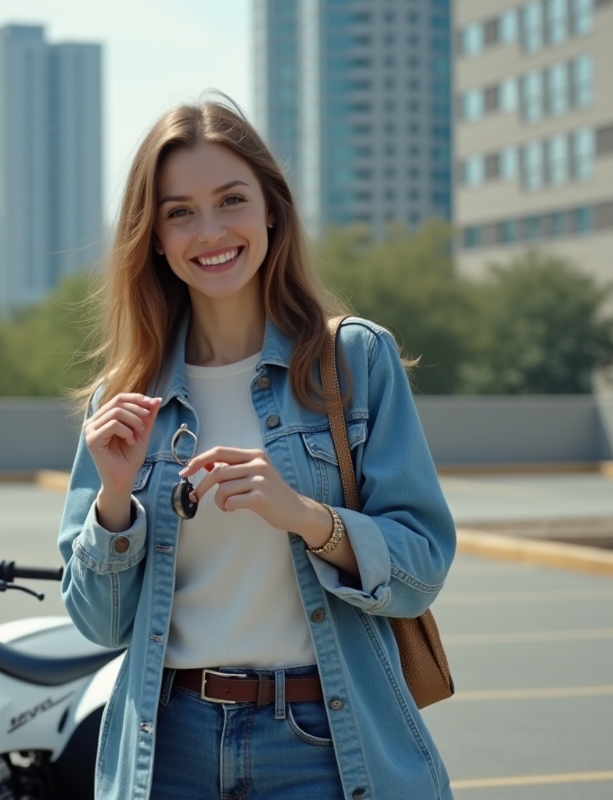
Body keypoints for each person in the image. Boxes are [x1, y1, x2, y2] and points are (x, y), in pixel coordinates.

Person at [57, 95, 456, 800]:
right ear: (155, 237)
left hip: (321, 745)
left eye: (231, 200)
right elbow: (101, 624)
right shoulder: (123, 399)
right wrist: (114, 501)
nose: (210, 231)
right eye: (180, 212)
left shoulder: (354, 362)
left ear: (272, 208)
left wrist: (307, 517)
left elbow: (420, 568)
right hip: (166, 749)